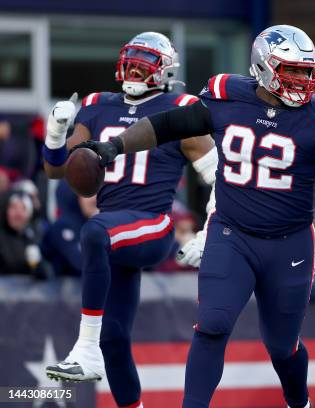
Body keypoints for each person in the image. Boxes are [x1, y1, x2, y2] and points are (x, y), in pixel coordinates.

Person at [74, 24, 315, 408]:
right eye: (292, 70)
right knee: (212, 326)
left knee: (282, 347)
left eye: (308, 71)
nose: (303, 80)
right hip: (232, 234)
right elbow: (167, 126)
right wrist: (115, 146)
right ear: (264, 67)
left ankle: (300, 403)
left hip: (289, 243)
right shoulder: (227, 95)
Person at [42, 32, 217, 408]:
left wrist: (210, 230)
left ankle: (84, 349)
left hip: (152, 225)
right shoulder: (96, 105)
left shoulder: (181, 107)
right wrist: (56, 133)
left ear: (165, 70)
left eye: (145, 63)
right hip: (117, 231)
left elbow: (222, 180)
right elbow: (57, 170)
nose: (135, 70)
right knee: (116, 339)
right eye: (131, 62)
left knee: (94, 232)